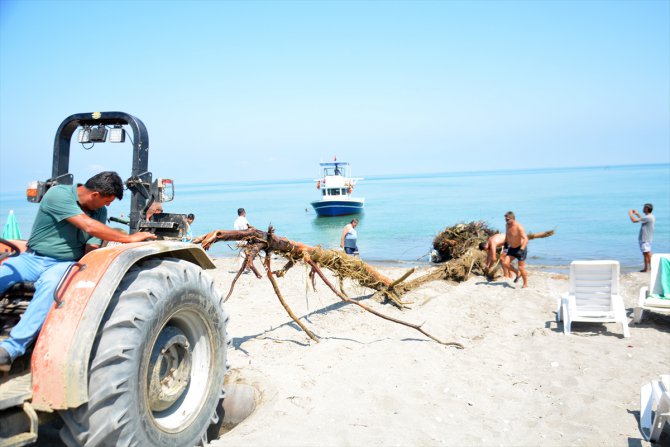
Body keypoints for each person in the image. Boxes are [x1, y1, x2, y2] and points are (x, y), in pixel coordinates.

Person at [0, 171, 156, 371]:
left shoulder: (98, 211)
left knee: (51, 288)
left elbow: (91, 244)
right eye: (106, 201)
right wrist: (130, 238)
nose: (107, 207)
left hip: (63, 264)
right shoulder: (58, 195)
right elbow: (88, 226)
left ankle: (11, 349)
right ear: (95, 195)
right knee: (4, 274)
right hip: (32, 258)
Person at [501, 211, 528, 288]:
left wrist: (522, 249)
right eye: (505, 219)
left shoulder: (519, 226)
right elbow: (507, 234)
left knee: (521, 268)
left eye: (508, 219)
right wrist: (506, 244)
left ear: (512, 218)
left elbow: (525, 239)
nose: (506, 220)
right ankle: (517, 273)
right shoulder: (507, 225)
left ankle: (525, 283)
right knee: (505, 263)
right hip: (512, 248)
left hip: (520, 248)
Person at [629, 203, 655, 272]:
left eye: (644, 207)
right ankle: (651, 268)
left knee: (646, 254)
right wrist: (637, 214)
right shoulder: (650, 216)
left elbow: (634, 221)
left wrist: (630, 214)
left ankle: (646, 269)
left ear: (646, 209)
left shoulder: (648, 217)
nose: (643, 208)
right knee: (648, 253)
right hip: (647, 238)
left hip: (645, 238)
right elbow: (642, 219)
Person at [233, 208, 255, 273]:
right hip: (244, 240)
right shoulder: (244, 220)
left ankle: (244, 267)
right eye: (245, 213)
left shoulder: (236, 221)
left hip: (238, 240)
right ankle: (244, 268)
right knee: (248, 253)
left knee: (243, 253)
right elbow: (247, 230)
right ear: (243, 213)